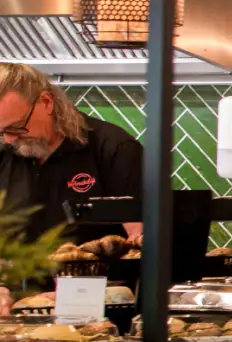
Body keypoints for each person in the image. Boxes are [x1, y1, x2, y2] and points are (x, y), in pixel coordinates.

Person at [0, 62, 145, 245]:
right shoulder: (4, 150)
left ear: (46, 102)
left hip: (97, 272)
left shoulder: (114, 149)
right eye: (2, 131)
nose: (9, 139)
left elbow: (141, 237)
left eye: (16, 127)